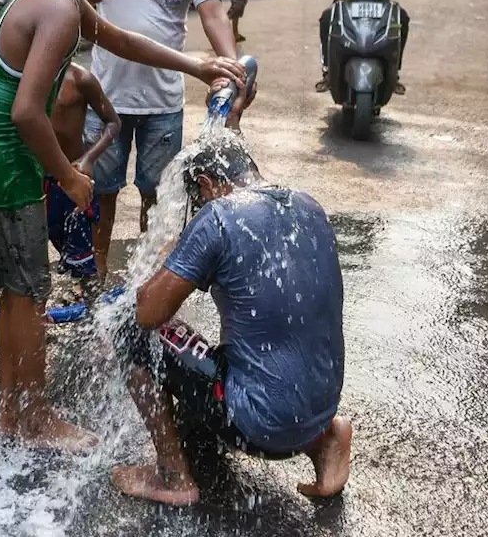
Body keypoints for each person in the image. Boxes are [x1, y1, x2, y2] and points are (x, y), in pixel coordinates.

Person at [0, 0, 244, 449]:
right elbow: (26, 113)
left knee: (17, 294)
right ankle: (33, 416)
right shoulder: (61, 11)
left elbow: (120, 39)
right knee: (30, 293)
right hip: (3, 153)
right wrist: (67, 175)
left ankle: (15, 413)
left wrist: (197, 66)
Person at [109, 85, 351, 506]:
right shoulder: (307, 204)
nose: (198, 208)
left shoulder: (219, 218)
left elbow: (148, 313)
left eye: (196, 199)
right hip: (318, 409)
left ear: (206, 184)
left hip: (259, 427)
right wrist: (232, 120)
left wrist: (176, 248)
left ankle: (171, 477)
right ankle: (326, 439)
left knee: (127, 326)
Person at [87, 0, 240, 277]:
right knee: (101, 194)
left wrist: (230, 66)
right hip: (105, 98)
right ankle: (93, 278)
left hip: (162, 104)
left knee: (157, 197)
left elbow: (212, 13)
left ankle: (147, 280)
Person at [45, 63, 121, 292]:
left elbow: (113, 122)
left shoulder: (81, 79)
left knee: (82, 258)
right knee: (40, 248)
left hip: (72, 178)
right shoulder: (24, 76)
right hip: (36, 178)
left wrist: (88, 158)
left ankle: (89, 306)